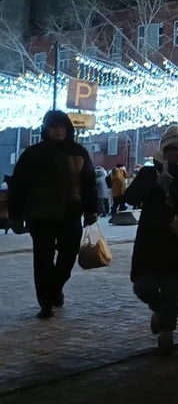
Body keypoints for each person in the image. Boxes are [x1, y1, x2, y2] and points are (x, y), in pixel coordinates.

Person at [124, 125, 178, 353]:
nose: (177, 153)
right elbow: (129, 196)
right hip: (150, 242)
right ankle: (158, 310)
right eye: (172, 148)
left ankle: (166, 332)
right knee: (143, 286)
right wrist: (154, 186)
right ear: (164, 149)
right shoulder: (150, 172)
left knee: (173, 289)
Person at [10, 110, 98, 319]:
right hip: (40, 214)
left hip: (70, 212)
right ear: (45, 129)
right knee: (43, 259)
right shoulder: (33, 154)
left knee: (68, 254)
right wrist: (15, 215)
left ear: (68, 129)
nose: (58, 131)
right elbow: (18, 185)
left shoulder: (78, 152)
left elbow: (88, 183)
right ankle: (46, 303)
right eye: (53, 127)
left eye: (62, 127)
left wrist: (91, 210)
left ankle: (55, 287)